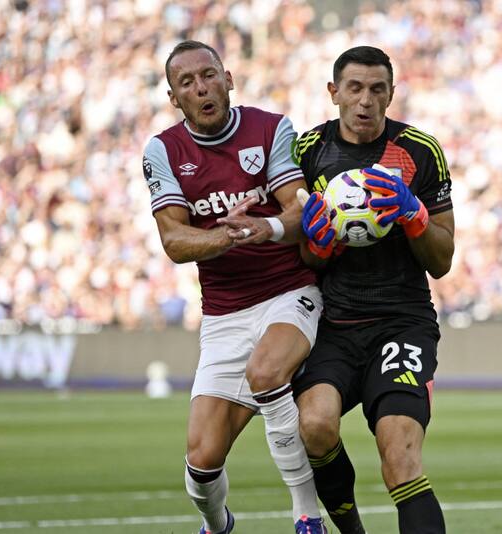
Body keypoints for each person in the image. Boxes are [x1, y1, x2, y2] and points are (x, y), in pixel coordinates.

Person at [143, 40, 327, 534]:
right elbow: (174, 241)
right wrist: (226, 234)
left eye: (208, 75)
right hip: (224, 316)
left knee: (267, 372)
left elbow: (299, 207)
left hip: (289, 291)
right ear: (173, 98)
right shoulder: (164, 150)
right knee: (202, 461)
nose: (201, 87)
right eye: (187, 82)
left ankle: (307, 513)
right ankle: (217, 523)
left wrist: (262, 229)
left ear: (229, 79)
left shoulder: (271, 127)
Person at [293, 45, 454, 534]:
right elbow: (302, 257)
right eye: (355, 88)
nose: (365, 100)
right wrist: (318, 248)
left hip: (401, 323)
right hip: (334, 325)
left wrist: (414, 215)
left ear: (391, 93)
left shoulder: (420, 151)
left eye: (377, 89)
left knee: (400, 454)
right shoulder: (307, 150)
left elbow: (442, 260)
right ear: (334, 92)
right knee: (315, 427)